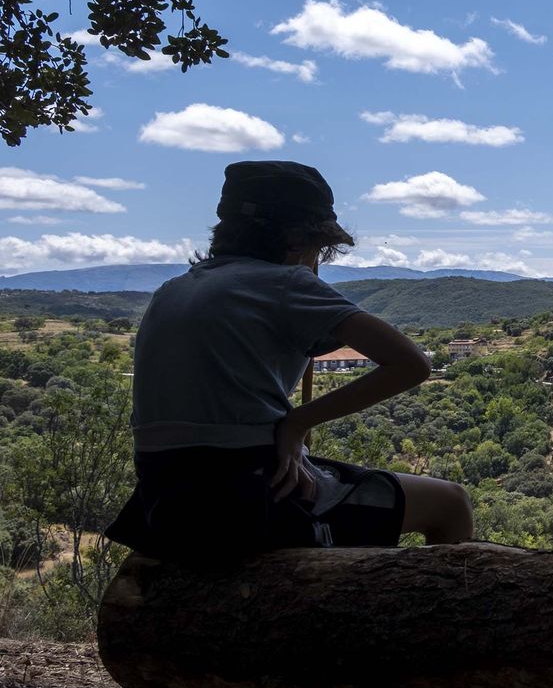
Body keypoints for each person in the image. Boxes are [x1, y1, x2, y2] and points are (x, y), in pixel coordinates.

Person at [106, 161, 472, 558]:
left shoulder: (173, 289)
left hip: (163, 502)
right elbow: (412, 364)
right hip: (246, 499)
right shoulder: (285, 284)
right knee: (450, 502)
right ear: (298, 239)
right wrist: (298, 422)